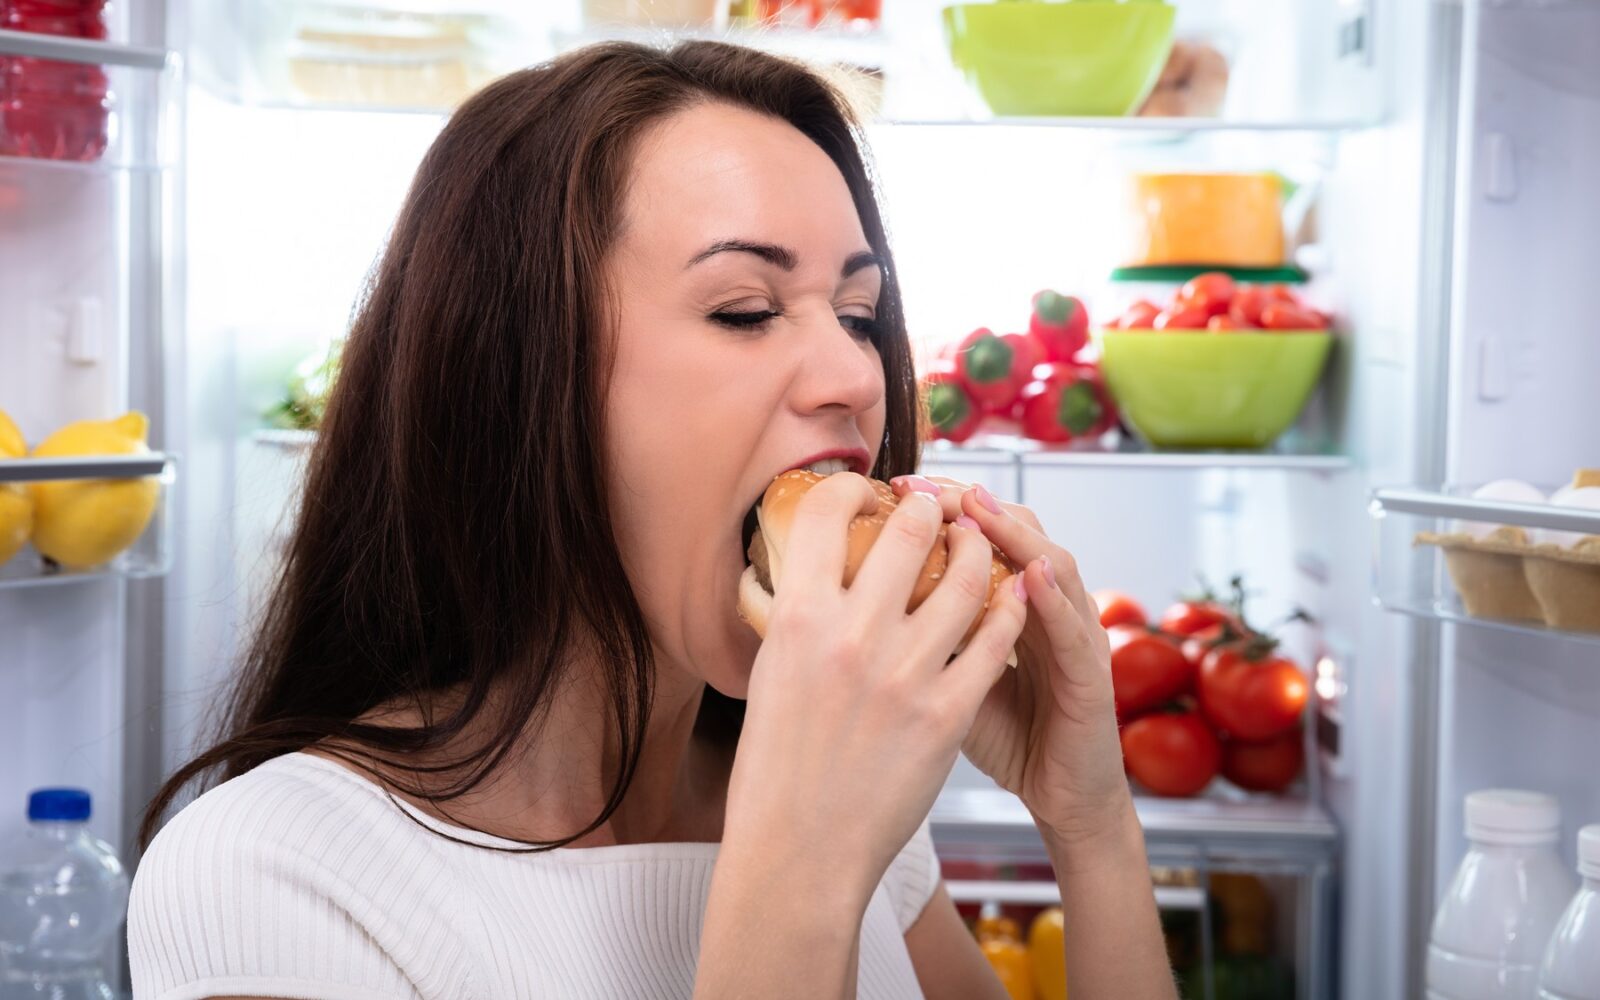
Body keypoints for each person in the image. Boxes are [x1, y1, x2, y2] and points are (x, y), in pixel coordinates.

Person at [128, 40, 1176, 1000]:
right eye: (744, 309)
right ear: (519, 383)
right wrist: (801, 870)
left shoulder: (863, 820)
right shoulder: (280, 875)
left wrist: (1091, 824)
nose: (859, 373)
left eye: (859, 315)